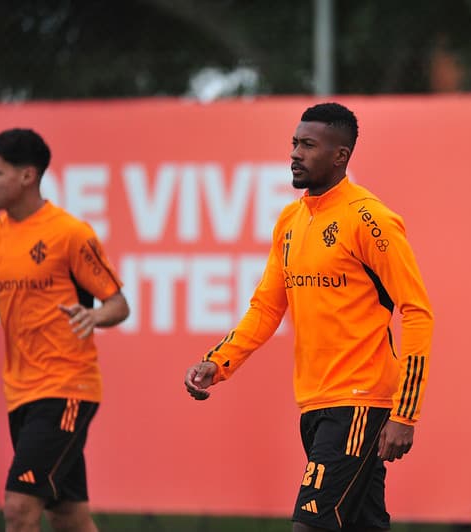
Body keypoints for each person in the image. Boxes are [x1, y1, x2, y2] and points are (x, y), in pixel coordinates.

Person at [184, 102, 434, 532]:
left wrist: (405, 414)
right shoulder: (290, 220)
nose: (295, 154)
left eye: (308, 145)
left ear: (340, 155)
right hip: (315, 404)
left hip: (359, 401)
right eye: (294, 143)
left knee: (310, 525)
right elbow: (266, 307)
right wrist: (218, 362)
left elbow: (417, 311)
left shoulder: (370, 219)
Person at [0, 128, 130, 532]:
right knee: (68, 516)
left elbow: (118, 304)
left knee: (19, 508)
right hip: (20, 392)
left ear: (27, 176)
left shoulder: (69, 233)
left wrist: (93, 316)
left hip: (66, 389)